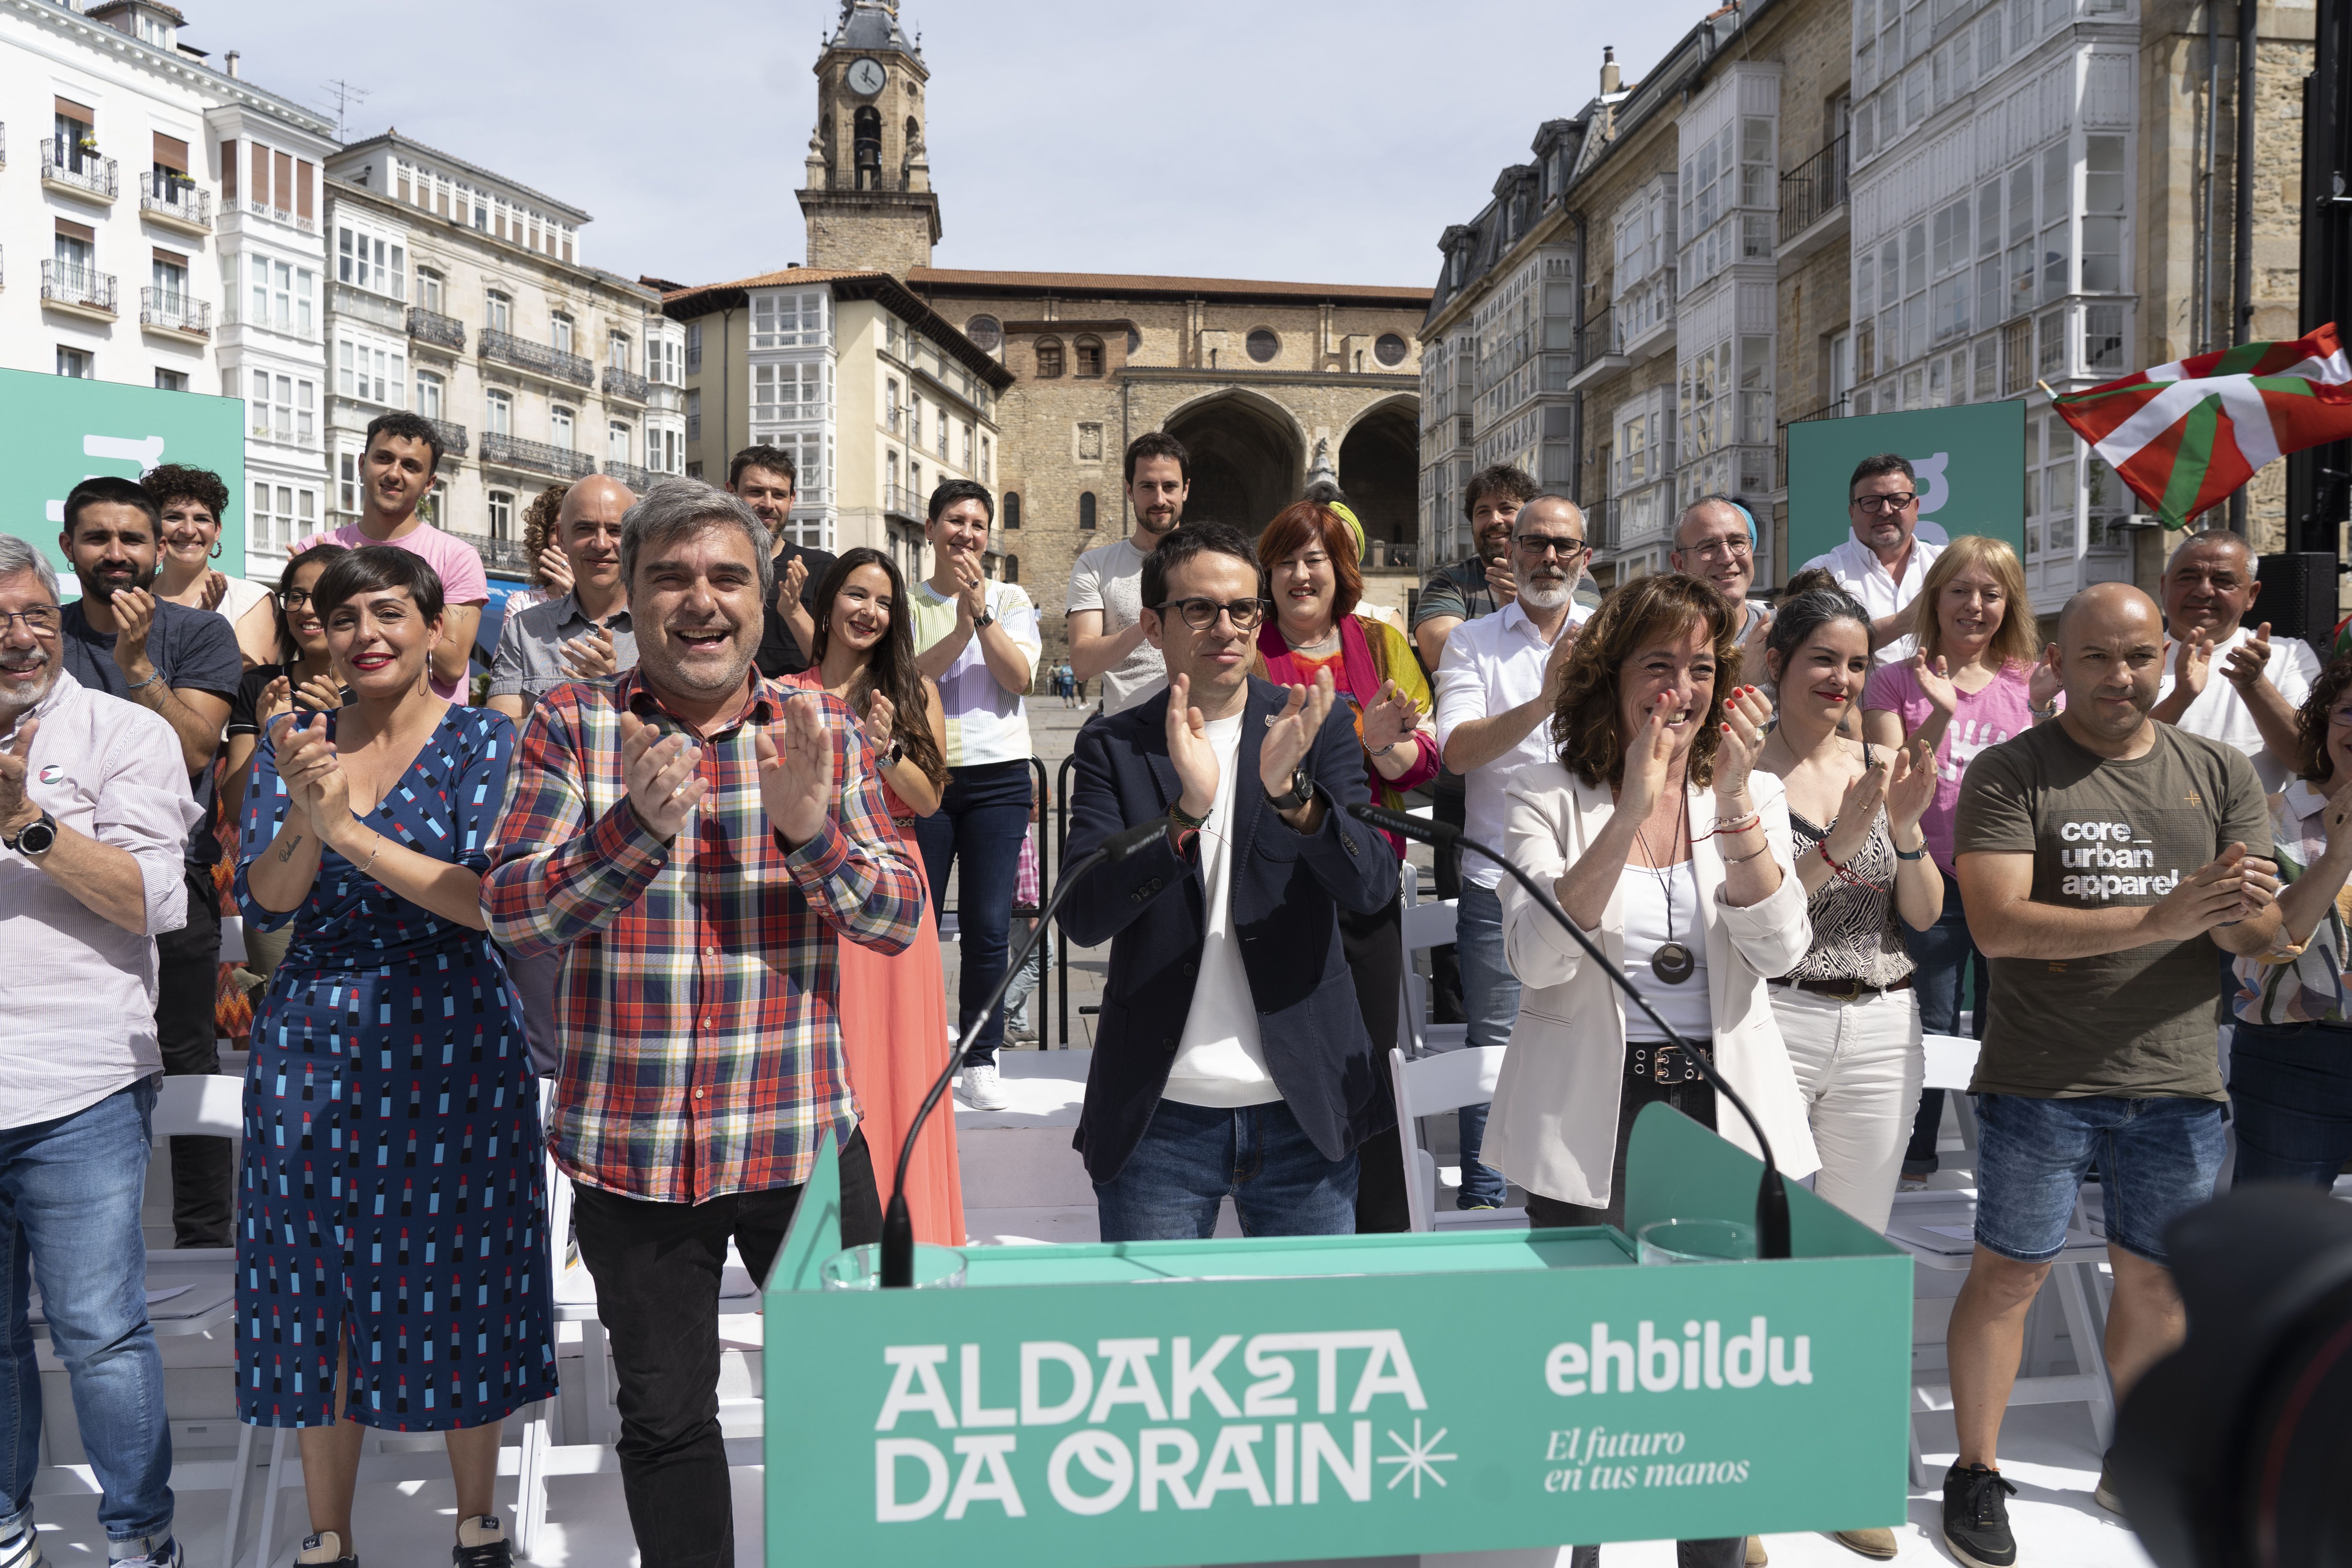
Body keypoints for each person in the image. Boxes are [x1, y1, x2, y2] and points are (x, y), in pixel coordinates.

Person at [483, 480, 919, 1568]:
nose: (701, 601)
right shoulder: (573, 725)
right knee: (669, 1420)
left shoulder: (819, 731)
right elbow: (515, 908)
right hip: (634, 1149)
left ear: (766, 598)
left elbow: (899, 917)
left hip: (806, 1142)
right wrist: (635, 827)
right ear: (626, 595)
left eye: (727, 576)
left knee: (859, 1402)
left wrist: (812, 833)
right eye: (670, 577)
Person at [1941, 582, 2282, 1567]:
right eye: (2096, 657)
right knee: (2007, 1275)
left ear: (2165, 653)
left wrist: (2229, 912)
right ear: (2056, 661)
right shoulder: (2013, 772)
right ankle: (1975, 1470)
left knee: (2158, 1286)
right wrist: (2163, 917)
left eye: (2138, 657)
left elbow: (2256, 933)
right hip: (2040, 1078)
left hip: (2177, 1077)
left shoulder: (2216, 770)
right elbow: (1998, 928)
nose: (2120, 677)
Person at [1481, 574, 1814, 1568]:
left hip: (1716, 1111)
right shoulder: (1547, 795)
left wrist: (1730, 817)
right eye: (1657, 667)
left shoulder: (1748, 790)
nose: (1679, 690)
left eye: (1701, 669)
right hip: (1592, 1113)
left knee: (1711, 1378)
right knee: (1587, 1373)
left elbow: (1782, 950)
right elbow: (1536, 963)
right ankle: (1578, 1551)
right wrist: (1628, 811)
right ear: (1612, 678)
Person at [233, 547, 552, 1568]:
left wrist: (349, 830)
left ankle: (476, 1521)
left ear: (431, 631)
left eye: (388, 613)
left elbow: (483, 900)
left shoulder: (482, 744)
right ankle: (331, 1534)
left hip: (452, 1027)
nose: (365, 633)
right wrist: (306, 820)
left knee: (463, 1268)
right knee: (312, 1279)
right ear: (318, 636)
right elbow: (267, 908)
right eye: (343, 619)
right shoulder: (297, 741)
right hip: (309, 1033)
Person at [1058, 523, 1396, 1238]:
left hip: (1303, 1106)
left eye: (1243, 609)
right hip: (1158, 1118)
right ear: (1152, 624)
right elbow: (1084, 913)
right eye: (1199, 609)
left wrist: (1296, 800)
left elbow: (1370, 886)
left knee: (1308, 1347)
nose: (1227, 627)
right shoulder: (1112, 746)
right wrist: (1184, 813)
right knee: (1151, 1345)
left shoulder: (1313, 726)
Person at [0, 534, 202, 1568]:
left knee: (100, 1333)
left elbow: (154, 899)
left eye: (35, 614)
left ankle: (138, 1540)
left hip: (76, 1084)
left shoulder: (123, 732)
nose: (19, 636)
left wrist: (27, 824)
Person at [55, 475, 243, 1250]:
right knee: (65, 1055)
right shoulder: (40, 630)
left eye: (132, 538)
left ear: (159, 547)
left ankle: (203, 1239)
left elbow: (197, 747)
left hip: (171, 883)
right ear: (69, 546)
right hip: (52, 879)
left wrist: (136, 662)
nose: (116, 553)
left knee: (187, 1056)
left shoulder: (200, 635)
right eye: (97, 538)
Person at [1255, 499, 1436, 1232]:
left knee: (1366, 1057)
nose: (1300, 575)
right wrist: (1361, 738)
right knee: (1280, 1056)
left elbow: (1423, 757)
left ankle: (1378, 1224)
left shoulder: (1379, 642)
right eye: (1285, 560)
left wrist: (1381, 743)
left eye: (1314, 560)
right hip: (1270, 887)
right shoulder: (1246, 643)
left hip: (1363, 883)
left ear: (1341, 571)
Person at [783, 546, 962, 1247]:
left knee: (897, 1055)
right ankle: (823, 1242)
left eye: (884, 602)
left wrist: (885, 749)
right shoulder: (781, 690)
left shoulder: (913, 691)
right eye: (856, 595)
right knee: (830, 1052)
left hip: (892, 878)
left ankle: (910, 1234)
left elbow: (930, 797)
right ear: (827, 605)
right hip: (811, 883)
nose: (869, 611)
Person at [1860, 535, 2054, 1183]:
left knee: (2012, 1021)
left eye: (1991, 594)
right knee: (1930, 1024)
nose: (1975, 606)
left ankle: (2012, 1158)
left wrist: (2043, 709)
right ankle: (1911, 1161)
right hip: (1930, 881)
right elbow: (1895, 787)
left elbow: (2056, 780)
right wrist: (1938, 716)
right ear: (1934, 599)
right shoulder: (1893, 680)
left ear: (2011, 603)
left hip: (2012, 883)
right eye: (1961, 591)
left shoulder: (2031, 683)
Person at [1755, 590, 1941, 1233]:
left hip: (1885, 1026)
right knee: (1759, 1232)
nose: (1842, 680)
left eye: (1858, 665)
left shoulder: (1883, 766)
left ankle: (1836, 1339)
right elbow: (1763, 912)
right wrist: (1836, 848)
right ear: (1777, 662)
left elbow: (1921, 916)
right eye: (1824, 660)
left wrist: (1909, 833)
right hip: (1774, 1015)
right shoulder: (1736, 771)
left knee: (1855, 1237)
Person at [1430, 494, 1596, 1208]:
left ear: (1585, 557)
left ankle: (1572, 1196)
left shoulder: (1609, 636)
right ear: (1510, 553)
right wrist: (1543, 700)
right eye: (1535, 543)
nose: (1549, 557)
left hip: (1593, 878)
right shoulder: (1471, 642)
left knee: (1588, 1040)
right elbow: (1457, 752)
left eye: (1564, 546)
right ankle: (1484, 1200)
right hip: (1497, 880)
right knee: (1493, 1050)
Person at [909, 479, 1042, 1112]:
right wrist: (959, 630)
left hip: (1000, 780)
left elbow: (1019, 678)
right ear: (931, 528)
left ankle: (981, 1053)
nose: (967, 533)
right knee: (917, 923)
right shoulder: (906, 602)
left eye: (978, 524)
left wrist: (982, 615)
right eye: (955, 521)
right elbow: (909, 684)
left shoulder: (1013, 598)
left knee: (990, 927)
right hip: (927, 779)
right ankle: (917, 1042)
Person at [1411, 464, 1539, 1034]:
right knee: (1468, 933)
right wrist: (1513, 614)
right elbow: (1440, 646)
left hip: (1549, 801)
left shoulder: (1574, 582)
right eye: (1483, 511)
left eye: (1507, 509)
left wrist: (1533, 605)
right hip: (1467, 799)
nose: (1495, 520)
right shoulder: (1451, 582)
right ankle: (1457, 1025)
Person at [2227, 654, 2352, 1186]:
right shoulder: (2265, 816)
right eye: (2349, 712)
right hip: (2296, 1058)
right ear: (2324, 723)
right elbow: (2267, 943)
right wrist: (2338, 854)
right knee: (2275, 1252)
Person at [221, 545, 353, 996]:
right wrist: (266, 737)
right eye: (295, 596)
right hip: (277, 876)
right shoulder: (260, 685)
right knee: (284, 1014)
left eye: (323, 595)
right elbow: (236, 805)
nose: (307, 609)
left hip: (361, 878)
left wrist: (346, 720)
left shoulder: (378, 682)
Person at [295, 414, 485, 700]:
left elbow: (453, 666)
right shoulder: (314, 551)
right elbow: (299, 646)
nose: (394, 474)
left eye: (410, 466)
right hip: (335, 726)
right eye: (383, 458)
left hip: (434, 735)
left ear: (429, 483)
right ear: (362, 465)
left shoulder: (457, 557)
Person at [2149, 529, 2320, 793]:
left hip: (2255, 832)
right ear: (2164, 586)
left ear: (2251, 594)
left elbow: (2309, 761)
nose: (2204, 590)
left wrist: (2254, 684)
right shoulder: (2132, 657)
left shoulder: (2289, 655)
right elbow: (2109, 752)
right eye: (2188, 578)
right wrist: (2181, 697)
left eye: (2223, 580)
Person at [486, 474, 638, 723]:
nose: (601, 544)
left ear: (636, 539)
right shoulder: (524, 630)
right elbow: (502, 730)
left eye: (616, 530)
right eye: (585, 528)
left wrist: (615, 689)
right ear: (563, 537)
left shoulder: (664, 627)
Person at [1067, 430, 1190, 716]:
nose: (1160, 499)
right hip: (1127, 735)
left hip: (1201, 726)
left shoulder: (1212, 563)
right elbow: (1082, 665)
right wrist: (1149, 622)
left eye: (1169, 486)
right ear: (1129, 490)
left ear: (1185, 489)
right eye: (1147, 486)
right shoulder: (1095, 565)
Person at [1801, 453, 1945, 664]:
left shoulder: (1946, 565)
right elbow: (1814, 649)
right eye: (1871, 502)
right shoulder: (1823, 573)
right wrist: (1903, 622)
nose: (1886, 511)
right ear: (1852, 512)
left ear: (1916, 507)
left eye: (1898, 500)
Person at [145, 463, 277, 666]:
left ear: (217, 530)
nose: (189, 530)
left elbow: (251, 683)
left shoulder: (248, 598)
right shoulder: (134, 596)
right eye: (173, 517)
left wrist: (201, 626)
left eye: (201, 519)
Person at [730, 445, 837, 680]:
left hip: (800, 710)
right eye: (756, 492)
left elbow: (835, 665)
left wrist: (794, 611)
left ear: (792, 500)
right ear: (731, 493)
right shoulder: (712, 567)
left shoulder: (822, 568)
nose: (768, 504)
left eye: (779, 495)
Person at [1669, 495, 1771, 675]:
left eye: (1737, 542)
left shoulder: (1786, 631)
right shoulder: (1659, 638)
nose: (1727, 558)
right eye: (1708, 546)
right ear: (1679, 564)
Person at [505, 483, 578, 619]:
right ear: (544, 541)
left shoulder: (617, 600)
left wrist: (577, 600)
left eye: (576, 528)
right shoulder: (523, 603)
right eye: (554, 530)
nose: (563, 538)